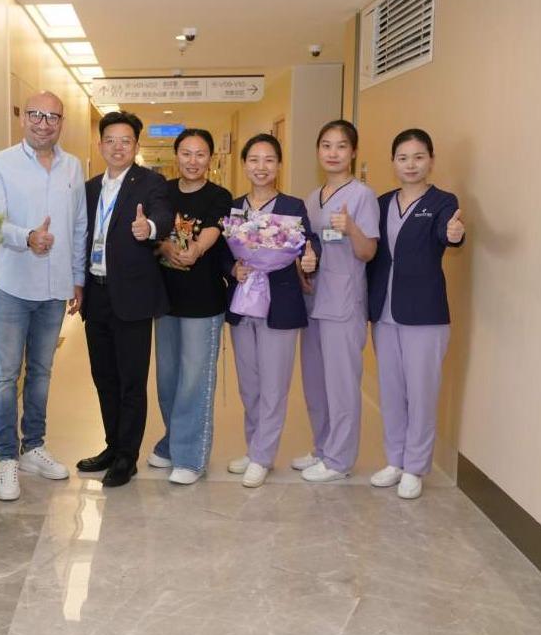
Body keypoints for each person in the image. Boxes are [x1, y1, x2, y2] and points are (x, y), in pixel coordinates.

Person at [0, 91, 88, 501]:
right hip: (13, 284)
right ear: (23, 118)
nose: (44, 123)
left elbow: (78, 225)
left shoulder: (72, 166)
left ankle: (33, 447)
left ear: (62, 123)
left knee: (42, 372)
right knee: (7, 375)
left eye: (52, 117)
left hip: (55, 286)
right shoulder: (0, 164)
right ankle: (6, 458)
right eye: (36, 115)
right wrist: (27, 237)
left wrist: (77, 277)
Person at [76, 110, 173, 488]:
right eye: (110, 141)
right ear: (100, 145)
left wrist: (149, 227)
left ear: (136, 145)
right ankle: (112, 446)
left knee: (132, 380)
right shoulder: (89, 189)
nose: (117, 148)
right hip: (96, 293)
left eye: (126, 141)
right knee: (104, 378)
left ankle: (126, 457)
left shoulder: (150, 182)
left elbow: (163, 215)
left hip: (132, 297)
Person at [366, 129, 465, 499]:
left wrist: (454, 233)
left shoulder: (442, 201)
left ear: (431, 161)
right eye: (403, 157)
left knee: (421, 392)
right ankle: (395, 460)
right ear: (393, 162)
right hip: (384, 312)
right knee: (391, 390)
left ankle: (415, 466)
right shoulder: (381, 203)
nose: (411, 164)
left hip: (424, 314)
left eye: (419, 157)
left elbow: (448, 233)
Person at [225, 134, 318, 487]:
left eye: (269, 160)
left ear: (279, 165)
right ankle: (254, 449)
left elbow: (308, 244)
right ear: (244, 164)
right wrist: (232, 268)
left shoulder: (293, 206)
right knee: (249, 385)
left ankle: (263, 456)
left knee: (274, 385)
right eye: (254, 160)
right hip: (243, 303)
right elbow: (222, 253)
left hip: (280, 304)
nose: (261, 167)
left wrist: (310, 257)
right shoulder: (235, 208)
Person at [295, 120, 379, 482]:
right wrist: (302, 268)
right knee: (315, 382)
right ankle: (322, 447)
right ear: (318, 151)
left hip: (343, 302)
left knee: (342, 384)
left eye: (341, 146)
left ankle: (339, 460)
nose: (333, 153)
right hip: (313, 300)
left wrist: (352, 228)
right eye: (326, 145)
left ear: (353, 152)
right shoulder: (312, 198)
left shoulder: (362, 196)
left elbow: (368, 251)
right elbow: (307, 247)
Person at [148, 128, 232, 485]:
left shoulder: (219, 195)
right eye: (186, 153)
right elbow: (153, 233)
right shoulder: (161, 191)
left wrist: (196, 249)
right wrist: (165, 247)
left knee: (195, 380)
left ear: (210, 158)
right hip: (165, 301)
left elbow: (213, 229)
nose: (192, 161)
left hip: (203, 302)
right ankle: (172, 442)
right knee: (168, 379)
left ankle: (191, 457)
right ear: (176, 155)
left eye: (200, 154)